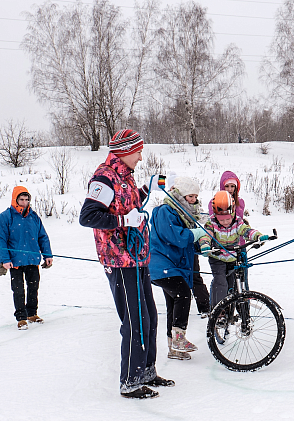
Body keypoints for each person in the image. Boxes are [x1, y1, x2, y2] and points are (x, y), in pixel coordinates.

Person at [79, 129, 173, 399]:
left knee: (150, 317)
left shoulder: (125, 177)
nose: (142, 157)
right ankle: (130, 381)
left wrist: (147, 189)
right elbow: (88, 216)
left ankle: (146, 371)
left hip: (137, 256)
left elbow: (127, 206)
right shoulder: (104, 177)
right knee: (135, 320)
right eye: (139, 151)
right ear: (126, 151)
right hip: (118, 259)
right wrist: (122, 223)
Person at [150, 176, 207, 361]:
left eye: (195, 197)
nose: (193, 200)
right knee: (183, 294)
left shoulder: (185, 214)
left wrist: (202, 247)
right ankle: (179, 340)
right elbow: (174, 237)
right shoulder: (165, 211)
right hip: (162, 265)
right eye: (190, 196)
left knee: (173, 303)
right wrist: (195, 233)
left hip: (174, 266)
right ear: (181, 195)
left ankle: (173, 346)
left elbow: (186, 243)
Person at [200, 191, 268, 309]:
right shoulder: (211, 223)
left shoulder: (237, 222)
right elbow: (206, 236)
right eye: (222, 220)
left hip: (232, 258)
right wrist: (205, 244)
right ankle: (218, 311)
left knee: (232, 284)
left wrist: (257, 236)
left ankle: (232, 309)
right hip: (217, 258)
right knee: (220, 282)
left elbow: (246, 231)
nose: (225, 222)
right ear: (215, 215)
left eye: (228, 219)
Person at [0, 186, 53, 330]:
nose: (24, 202)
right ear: (15, 200)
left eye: (26, 199)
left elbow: (42, 237)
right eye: (21, 199)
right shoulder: (5, 217)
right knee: (18, 290)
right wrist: (5, 259)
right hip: (15, 261)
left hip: (32, 259)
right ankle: (21, 318)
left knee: (33, 287)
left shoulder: (33, 216)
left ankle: (32, 314)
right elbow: (1, 239)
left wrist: (47, 255)